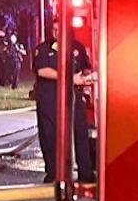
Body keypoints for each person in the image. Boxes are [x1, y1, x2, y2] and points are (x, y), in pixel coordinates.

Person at [34, 31, 96, 184]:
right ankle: (54, 173)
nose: (58, 31)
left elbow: (85, 67)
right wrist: (70, 77)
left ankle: (86, 173)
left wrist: (87, 77)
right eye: (55, 28)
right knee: (50, 135)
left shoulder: (77, 47)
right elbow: (42, 71)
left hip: (74, 97)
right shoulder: (44, 49)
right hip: (50, 98)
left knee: (80, 133)